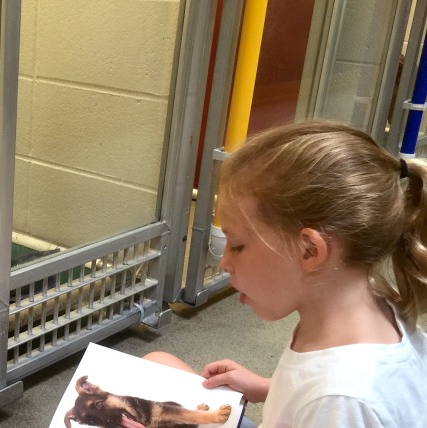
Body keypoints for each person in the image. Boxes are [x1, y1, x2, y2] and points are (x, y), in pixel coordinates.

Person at [144, 120, 427, 427]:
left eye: (237, 246)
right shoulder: (364, 303)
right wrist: (267, 387)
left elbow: (331, 400)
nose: (224, 262)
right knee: (157, 365)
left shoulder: (341, 402)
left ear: (310, 251)